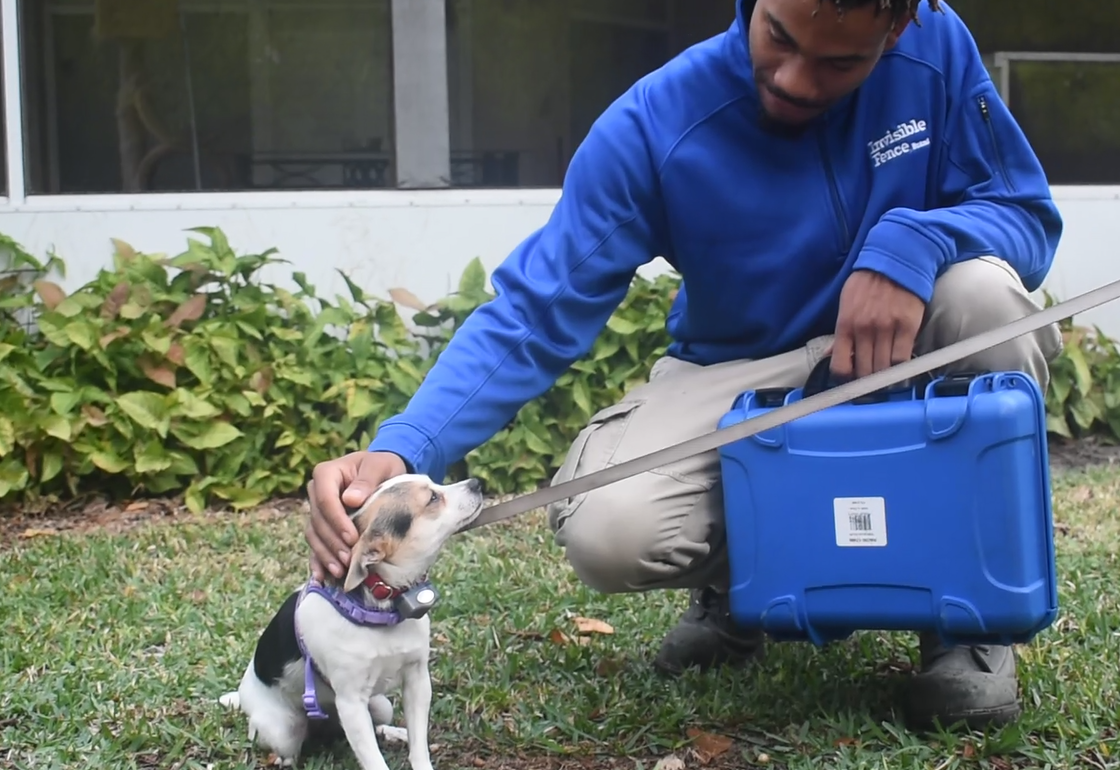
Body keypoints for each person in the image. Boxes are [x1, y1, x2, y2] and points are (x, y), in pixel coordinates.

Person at [306, 0, 1064, 732]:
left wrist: (918, 242)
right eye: (778, 36)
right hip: (744, 379)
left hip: (906, 355)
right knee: (610, 527)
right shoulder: (656, 122)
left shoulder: (936, 49)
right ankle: (740, 590)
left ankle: (972, 617)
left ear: (899, 25)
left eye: (841, 61)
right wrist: (404, 446)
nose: (797, 79)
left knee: (986, 298)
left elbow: (1025, 216)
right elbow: (535, 311)